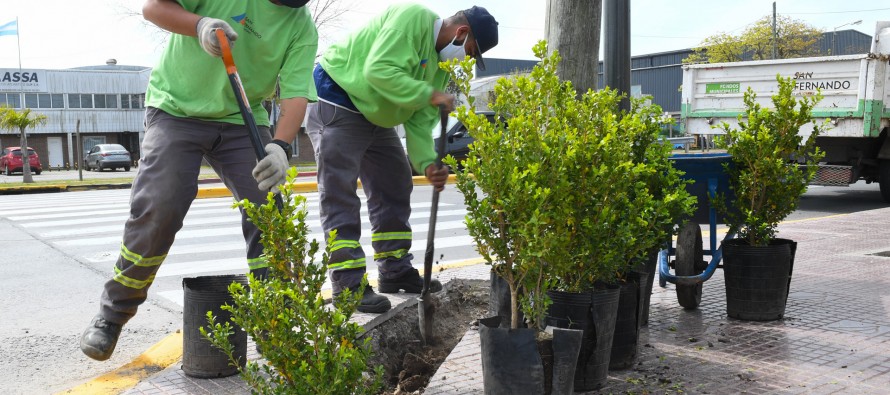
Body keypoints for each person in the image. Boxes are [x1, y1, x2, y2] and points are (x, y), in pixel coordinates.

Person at [79, 0, 318, 361]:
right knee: (161, 203)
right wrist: (200, 25)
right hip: (176, 109)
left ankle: (275, 325)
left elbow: (296, 91)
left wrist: (280, 146)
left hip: (241, 118)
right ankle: (113, 313)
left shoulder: (301, 25)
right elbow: (153, 8)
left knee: (269, 209)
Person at [306, 4, 499, 313]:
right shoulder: (412, 20)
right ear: (462, 33)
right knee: (339, 193)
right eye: (471, 51)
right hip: (339, 96)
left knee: (395, 183)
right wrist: (429, 95)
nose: (467, 59)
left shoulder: (439, 66)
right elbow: (378, 70)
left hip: (377, 113)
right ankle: (348, 285)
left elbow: (420, 119)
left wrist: (428, 164)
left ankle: (394, 269)